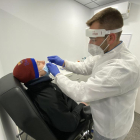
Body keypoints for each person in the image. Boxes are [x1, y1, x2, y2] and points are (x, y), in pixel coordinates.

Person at [46, 7, 140, 140]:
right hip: (101, 116)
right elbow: (85, 66)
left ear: (110, 38)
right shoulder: (105, 52)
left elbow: (81, 92)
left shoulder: (123, 68)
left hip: (111, 128)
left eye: (94, 39)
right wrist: (63, 63)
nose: (90, 43)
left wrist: (58, 75)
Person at [13, 58, 87, 140]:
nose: (43, 62)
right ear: (35, 73)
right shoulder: (48, 97)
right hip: (71, 124)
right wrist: (81, 106)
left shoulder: (38, 87)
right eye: (38, 63)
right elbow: (70, 125)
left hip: (67, 112)